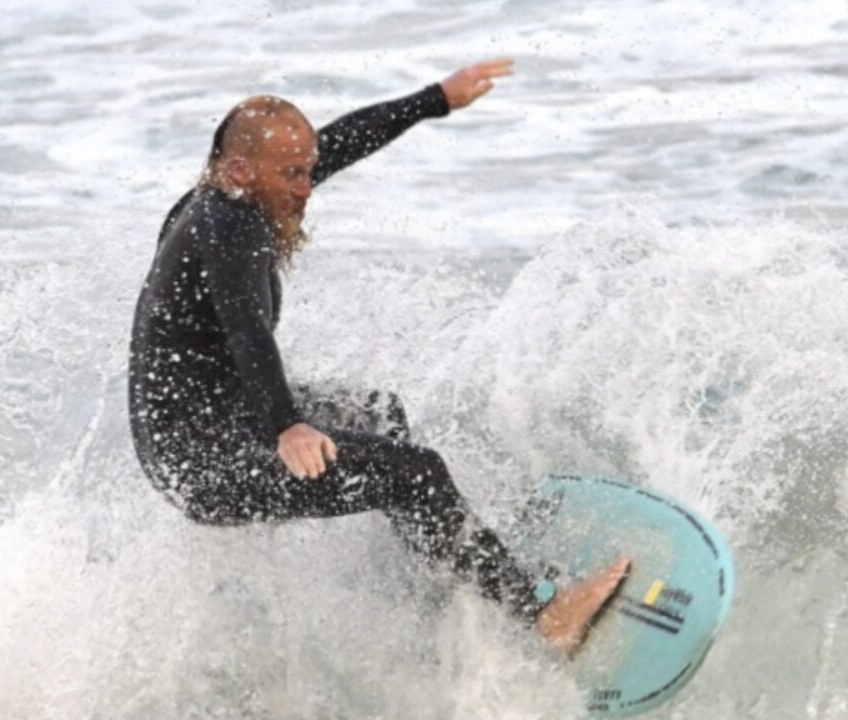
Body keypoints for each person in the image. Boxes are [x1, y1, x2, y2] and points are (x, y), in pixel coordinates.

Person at [128, 58, 628, 656]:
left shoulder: (230, 194)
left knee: (377, 411)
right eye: (291, 175)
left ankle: (433, 557)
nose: (305, 189)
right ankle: (544, 617)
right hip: (205, 461)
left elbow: (339, 141)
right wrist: (287, 425)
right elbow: (246, 330)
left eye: (308, 172)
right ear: (239, 169)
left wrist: (436, 97)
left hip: (218, 422)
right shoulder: (228, 226)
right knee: (416, 471)